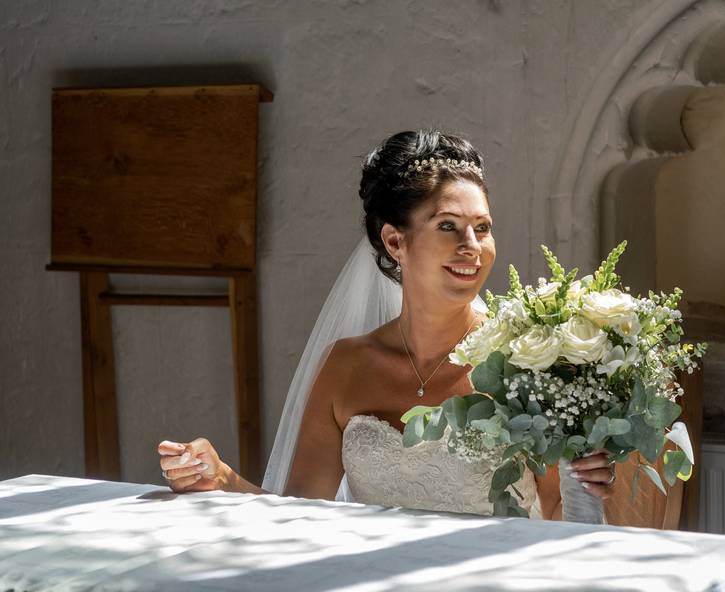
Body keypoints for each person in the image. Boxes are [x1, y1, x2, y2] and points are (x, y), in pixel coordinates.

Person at [157, 129, 616, 518]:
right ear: (396, 241)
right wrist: (221, 477)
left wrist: (595, 478)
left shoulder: (527, 362)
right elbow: (298, 516)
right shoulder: (347, 365)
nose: (472, 246)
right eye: (447, 226)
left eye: (483, 227)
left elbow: (561, 516)